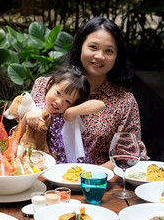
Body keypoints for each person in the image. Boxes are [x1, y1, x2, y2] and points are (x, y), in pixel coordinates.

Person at [27, 17, 148, 170]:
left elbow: (128, 155)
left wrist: (88, 177)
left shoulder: (124, 102)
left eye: (109, 51)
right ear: (80, 47)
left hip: (98, 184)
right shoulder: (45, 86)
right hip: (43, 180)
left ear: (117, 56)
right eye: (93, 47)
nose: (99, 56)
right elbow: (25, 136)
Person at [21, 65, 105, 163]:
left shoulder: (68, 115)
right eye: (58, 93)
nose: (59, 102)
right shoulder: (35, 109)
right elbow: (20, 135)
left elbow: (100, 104)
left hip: (67, 166)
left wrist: (71, 111)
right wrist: (27, 116)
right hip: (40, 164)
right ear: (49, 85)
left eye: (68, 101)